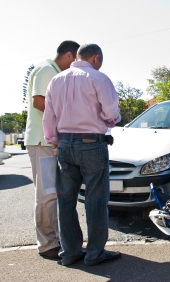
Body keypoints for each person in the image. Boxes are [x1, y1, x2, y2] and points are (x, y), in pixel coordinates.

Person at [43, 43, 122, 266]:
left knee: (66, 201)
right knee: (95, 200)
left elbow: (48, 117)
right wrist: (111, 120)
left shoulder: (56, 80)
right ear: (95, 58)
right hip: (92, 145)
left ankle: (70, 253)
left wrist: (54, 141)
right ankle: (95, 253)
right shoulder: (98, 78)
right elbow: (110, 113)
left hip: (65, 145)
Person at [24, 40, 80, 259]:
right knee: (46, 195)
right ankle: (47, 245)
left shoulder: (54, 71)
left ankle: (54, 240)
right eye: (75, 60)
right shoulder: (47, 69)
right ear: (69, 56)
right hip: (41, 141)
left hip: (50, 142)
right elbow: (39, 102)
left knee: (52, 194)